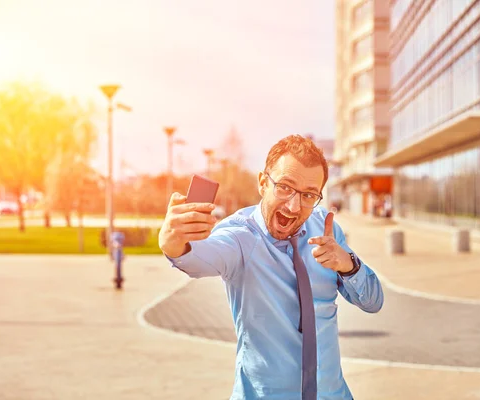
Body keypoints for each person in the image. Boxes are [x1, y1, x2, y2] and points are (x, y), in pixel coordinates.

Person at [159, 134, 384, 400]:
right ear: (263, 183)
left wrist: (347, 265)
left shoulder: (326, 228)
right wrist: (173, 244)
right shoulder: (240, 237)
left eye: (309, 194)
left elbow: (373, 302)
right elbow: (198, 259)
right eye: (285, 187)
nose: (294, 205)